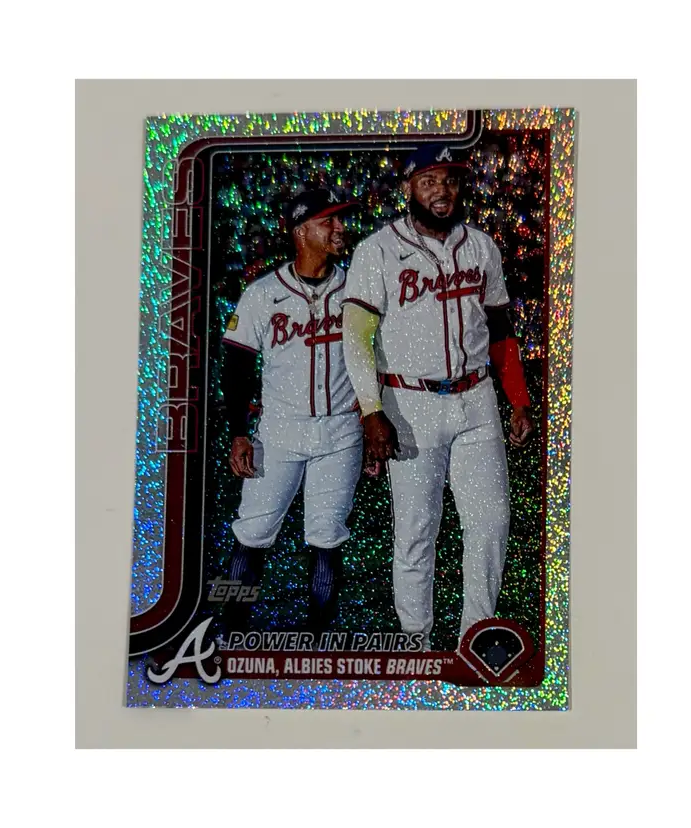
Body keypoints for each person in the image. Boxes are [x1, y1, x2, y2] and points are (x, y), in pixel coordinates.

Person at [341, 144, 534, 650]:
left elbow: (500, 330)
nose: (441, 191)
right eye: (428, 181)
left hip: (477, 399)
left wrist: (517, 398)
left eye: (449, 180)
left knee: (491, 522)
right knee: (416, 529)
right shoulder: (377, 250)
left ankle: (476, 636)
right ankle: (415, 642)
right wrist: (371, 410)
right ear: (409, 188)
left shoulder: (481, 247)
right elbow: (356, 337)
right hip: (410, 403)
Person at [220, 188, 362, 638]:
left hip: (341, 431)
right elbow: (236, 367)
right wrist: (239, 433)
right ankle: (229, 633)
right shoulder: (263, 293)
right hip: (279, 432)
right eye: (328, 221)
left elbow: (378, 359)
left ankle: (319, 642)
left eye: (340, 220)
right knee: (252, 532)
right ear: (301, 231)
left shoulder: (357, 289)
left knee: (328, 536)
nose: (340, 228)